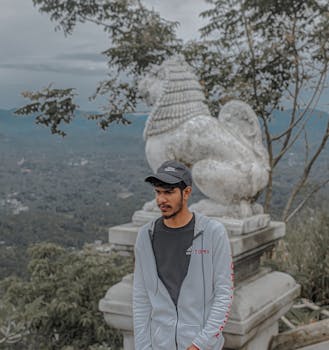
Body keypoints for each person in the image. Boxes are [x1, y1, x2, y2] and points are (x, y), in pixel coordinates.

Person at [133, 160, 234, 350]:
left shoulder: (213, 233)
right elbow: (141, 299)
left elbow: (224, 294)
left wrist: (200, 344)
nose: (161, 200)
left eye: (168, 192)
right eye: (158, 192)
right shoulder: (145, 236)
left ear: (186, 193)